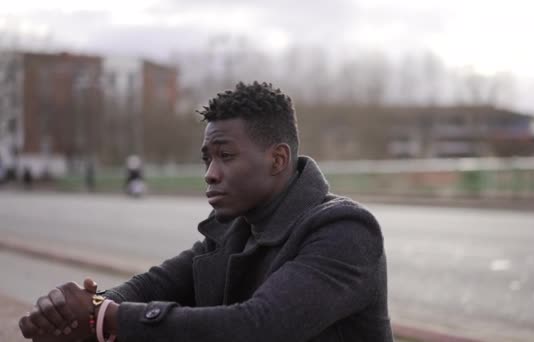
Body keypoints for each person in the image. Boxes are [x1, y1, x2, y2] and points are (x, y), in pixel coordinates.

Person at [18, 82, 393, 341]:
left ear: (277, 159)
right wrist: (84, 310)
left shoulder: (344, 230)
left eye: (225, 156)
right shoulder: (235, 228)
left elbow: (256, 328)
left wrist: (101, 316)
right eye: (207, 159)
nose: (210, 174)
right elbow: (155, 284)